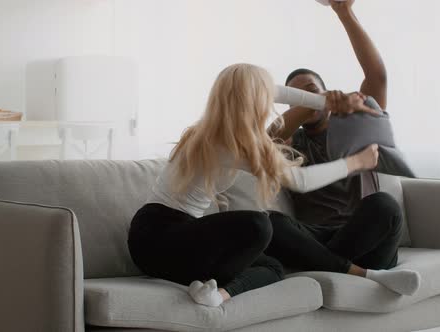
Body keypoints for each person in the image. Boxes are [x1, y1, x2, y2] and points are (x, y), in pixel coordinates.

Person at [128, 63, 402, 308]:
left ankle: (217, 295)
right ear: (254, 102)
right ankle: (359, 271)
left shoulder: (204, 130)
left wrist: (328, 102)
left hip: (160, 246)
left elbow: (282, 93)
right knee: (260, 225)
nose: (271, 100)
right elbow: (300, 181)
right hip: (164, 237)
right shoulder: (231, 144)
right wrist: (356, 162)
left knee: (273, 267)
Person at [265, 0, 420, 294]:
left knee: (384, 205)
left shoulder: (355, 125)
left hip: (368, 239)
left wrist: (344, 12)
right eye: (296, 97)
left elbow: (378, 76)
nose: (306, 100)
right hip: (316, 238)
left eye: (311, 90)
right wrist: (309, 100)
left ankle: (321, 265)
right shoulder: (289, 143)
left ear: (328, 92)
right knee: (271, 222)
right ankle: (342, 268)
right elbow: (262, 139)